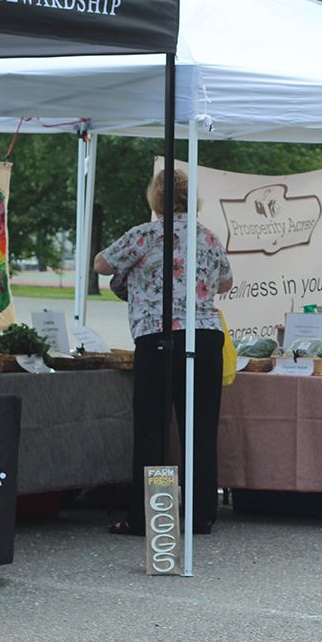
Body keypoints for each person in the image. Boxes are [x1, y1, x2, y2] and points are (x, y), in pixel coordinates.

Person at [95, 168, 233, 536]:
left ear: (156, 198)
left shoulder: (144, 234)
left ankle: (149, 517)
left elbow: (101, 264)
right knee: (200, 429)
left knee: (152, 429)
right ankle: (202, 514)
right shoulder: (208, 236)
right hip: (205, 337)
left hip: (158, 337)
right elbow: (227, 281)